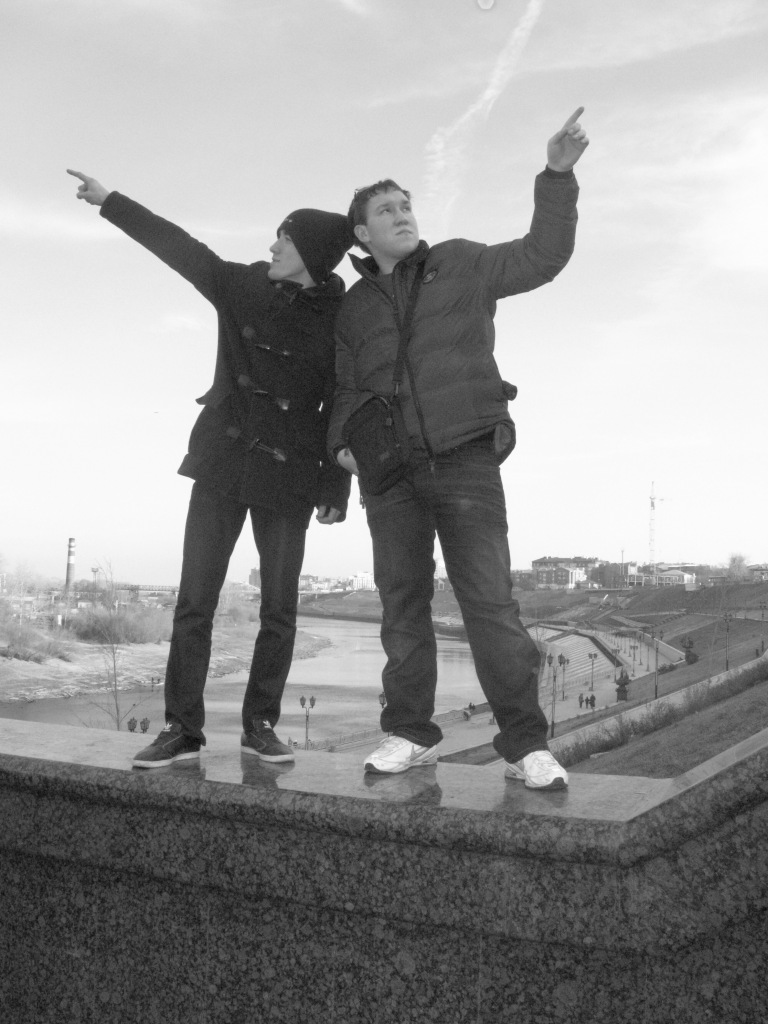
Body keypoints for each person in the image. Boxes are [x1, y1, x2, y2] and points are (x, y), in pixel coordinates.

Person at [328, 109, 589, 788]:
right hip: (389, 477)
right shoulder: (354, 307)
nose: (402, 214)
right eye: (386, 210)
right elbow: (346, 387)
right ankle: (410, 733)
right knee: (401, 607)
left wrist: (556, 177)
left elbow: (541, 257)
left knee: (490, 605)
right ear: (363, 233)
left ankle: (525, 744)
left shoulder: (462, 263)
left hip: (464, 457)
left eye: (406, 205)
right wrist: (341, 448)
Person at [68, 169, 352, 768]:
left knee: (279, 609)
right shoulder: (241, 286)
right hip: (225, 459)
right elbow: (179, 248)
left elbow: (341, 403)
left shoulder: (340, 317)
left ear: (312, 254)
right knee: (195, 602)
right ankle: (182, 728)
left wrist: (336, 482)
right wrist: (111, 201)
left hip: (292, 473)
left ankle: (260, 725)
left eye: (284, 239)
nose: (272, 246)